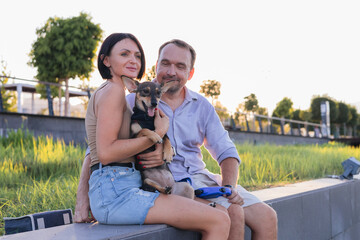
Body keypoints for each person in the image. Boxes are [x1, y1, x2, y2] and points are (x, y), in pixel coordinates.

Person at [76, 37, 277, 240]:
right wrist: (82, 201)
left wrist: (229, 187)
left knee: (267, 217)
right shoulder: (136, 97)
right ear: (156, 66)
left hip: (200, 178)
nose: (171, 72)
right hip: (166, 182)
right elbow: (97, 149)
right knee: (232, 214)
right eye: (165, 64)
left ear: (190, 73)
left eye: (180, 66)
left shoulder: (202, 105)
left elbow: (226, 151)